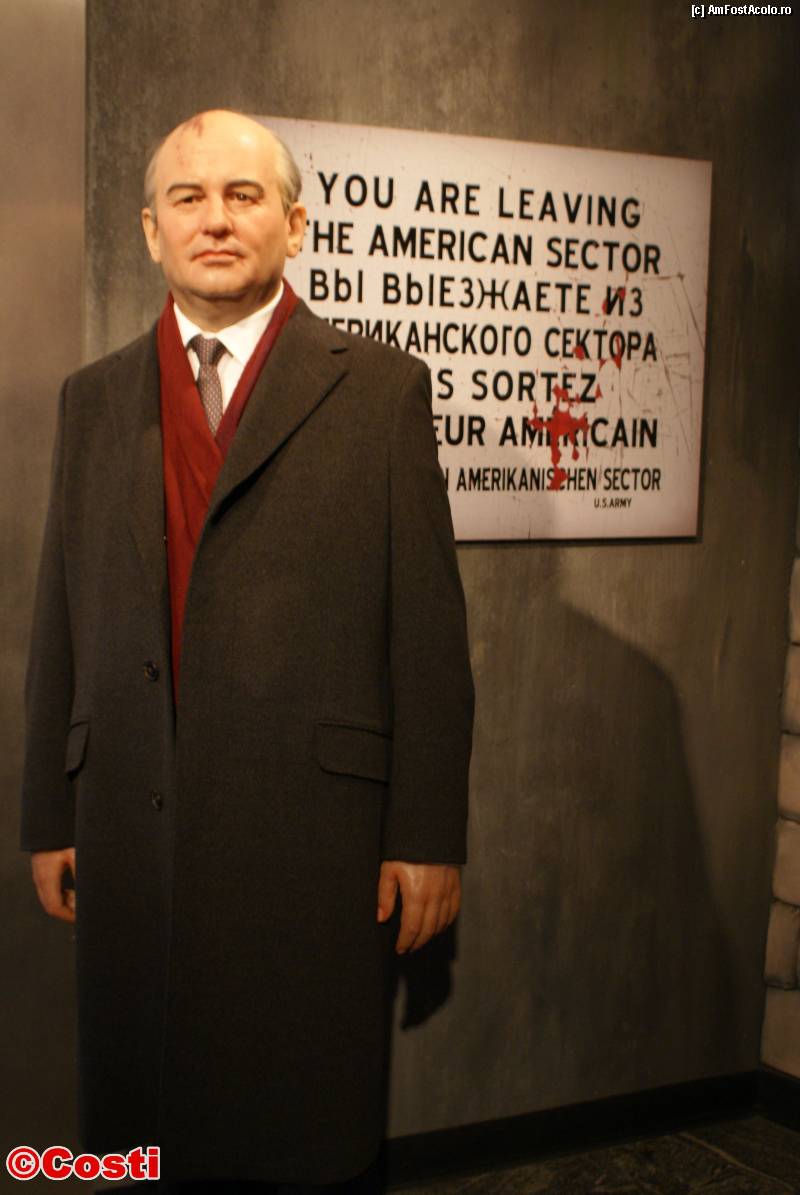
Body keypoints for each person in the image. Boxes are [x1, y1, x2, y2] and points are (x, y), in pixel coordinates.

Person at [20, 109, 474, 1191]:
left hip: (312, 832)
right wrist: (48, 813)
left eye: (242, 196)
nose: (214, 220)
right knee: (141, 1111)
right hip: (129, 812)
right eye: (187, 199)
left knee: (297, 1124)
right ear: (151, 230)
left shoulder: (379, 389)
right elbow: (61, 615)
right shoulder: (94, 398)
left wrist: (428, 833)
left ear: (295, 223)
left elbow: (428, 630)